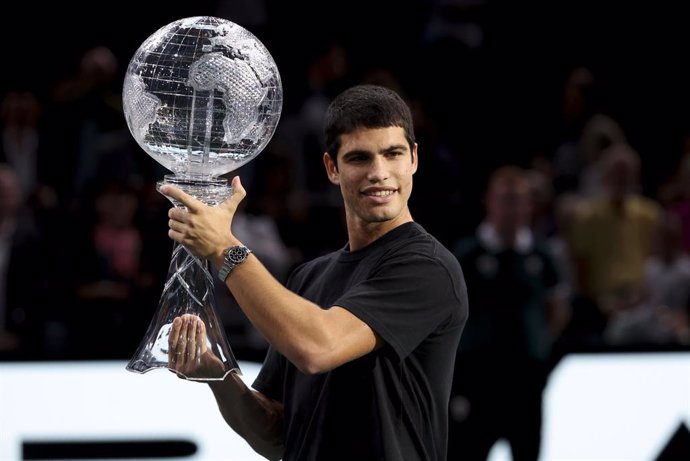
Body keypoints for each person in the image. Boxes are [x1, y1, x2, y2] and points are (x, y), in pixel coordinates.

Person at [160, 84, 469, 461]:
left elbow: (318, 347)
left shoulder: (428, 268)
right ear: (332, 168)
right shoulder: (308, 279)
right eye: (359, 158)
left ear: (414, 159)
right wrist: (218, 376)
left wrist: (224, 249)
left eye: (393, 154)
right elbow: (275, 436)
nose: (379, 173)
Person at [448, 165, 569, 461]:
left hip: (525, 381)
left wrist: (539, 342)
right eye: (505, 199)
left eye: (518, 200)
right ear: (489, 202)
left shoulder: (541, 256)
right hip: (478, 381)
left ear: (529, 205)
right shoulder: (467, 254)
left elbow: (558, 308)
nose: (511, 208)